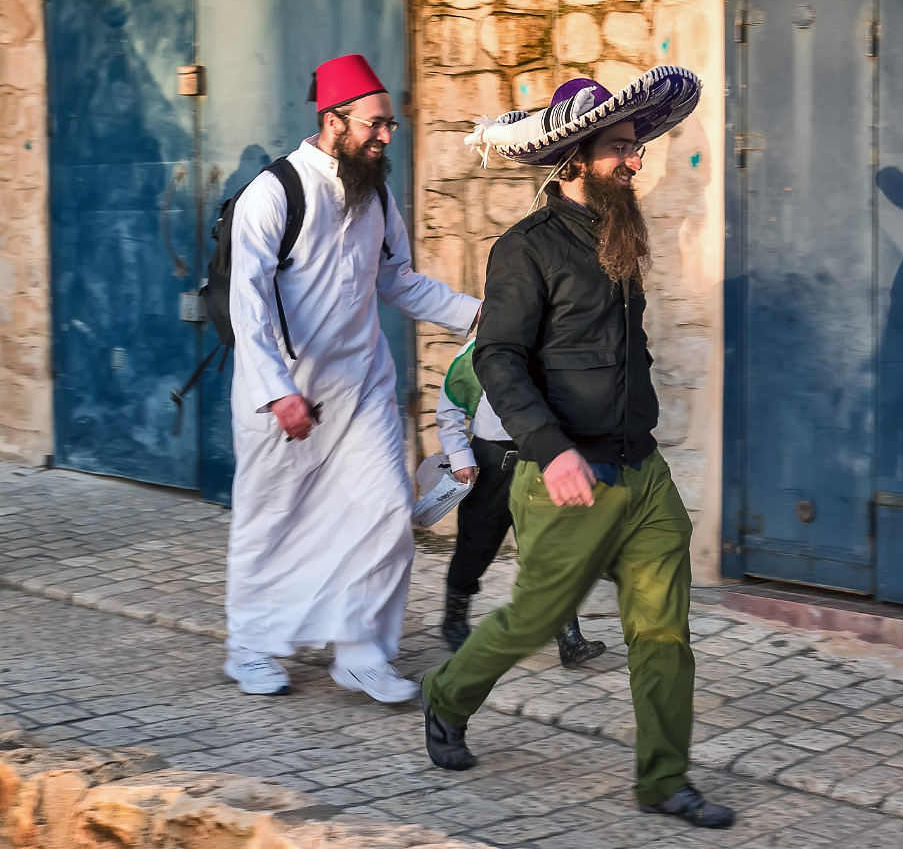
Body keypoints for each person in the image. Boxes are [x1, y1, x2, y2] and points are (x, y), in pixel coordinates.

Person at [419, 66, 735, 829]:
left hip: (641, 470)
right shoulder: (523, 250)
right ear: (574, 158)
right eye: (621, 148)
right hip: (566, 473)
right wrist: (551, 448)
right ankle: (448, 695)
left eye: (636, 146)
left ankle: (663, 780)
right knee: (532, 619)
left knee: (662, 630)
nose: (636, 160)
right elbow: (497, 358)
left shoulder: (621, 232)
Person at [224, 54, 479, 703]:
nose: (387, 135)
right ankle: (251, 646)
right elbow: (246, 302)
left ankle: (361, 652)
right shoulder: (274, 192)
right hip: (286, 393)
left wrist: (478, 316)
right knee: (271, 519)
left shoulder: (375, 192)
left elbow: (397, 279)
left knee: (387, 513)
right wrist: (277, 390)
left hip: (362, 384)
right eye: (376, 123)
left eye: (390, 124)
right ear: (333, 119)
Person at [435, 338, 607, 664]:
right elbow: (450, 406)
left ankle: (568, 637)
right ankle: (454, 621)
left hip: (542, 459)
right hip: (492, 462)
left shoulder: (557, 343)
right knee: (477, 545)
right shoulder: (483, 345)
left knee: (551, 547)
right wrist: (459, 454)